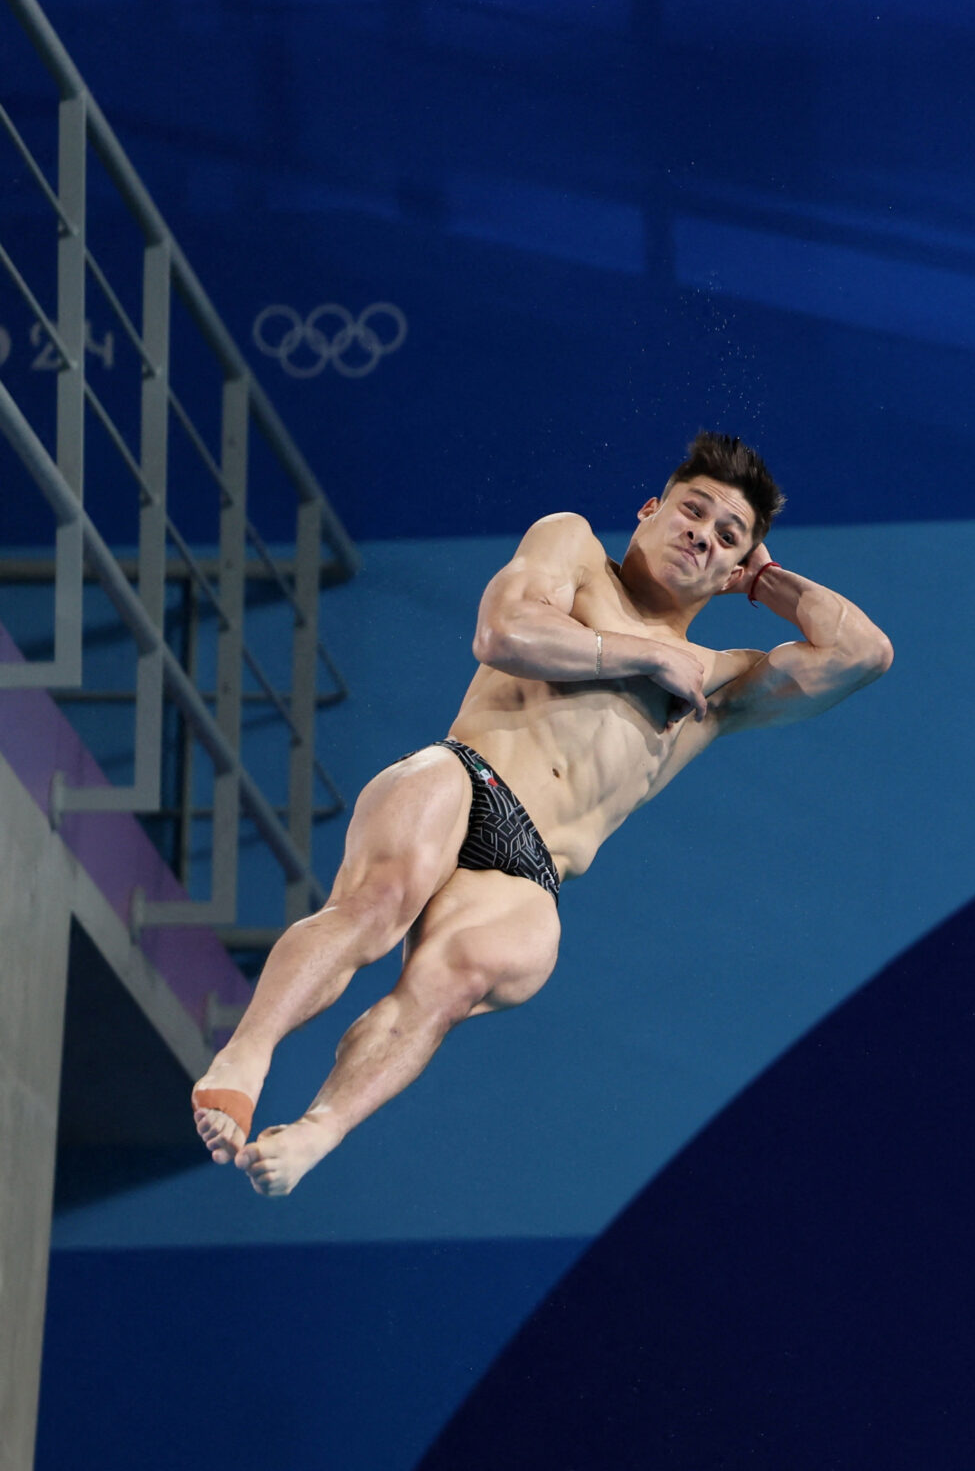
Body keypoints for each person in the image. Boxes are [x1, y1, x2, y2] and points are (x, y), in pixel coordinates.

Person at [187, 432, 893, 1195]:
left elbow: (865, 654)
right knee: (375, 904)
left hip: (531, 870)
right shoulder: (575, 550)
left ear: (732, 571)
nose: (703, 535)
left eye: (729, 536)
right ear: (650, 510)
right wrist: (645, 654)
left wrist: (767, 584)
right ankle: (245, 1056)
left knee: (451, 984)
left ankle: (319, 1129)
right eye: (693, 511)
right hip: (466, 777)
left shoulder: (718, 685)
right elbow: (500, 632)